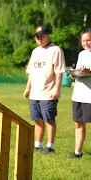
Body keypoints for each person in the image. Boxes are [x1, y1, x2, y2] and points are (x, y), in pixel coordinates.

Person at [23, 25, 66, 155]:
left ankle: (50, 146)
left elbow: (59, 72)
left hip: (48, 92)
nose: (39, 38)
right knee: (37, 119)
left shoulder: (56, 50)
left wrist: (57, 89)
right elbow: (31, 72)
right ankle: (38, 144)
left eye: (42, 36)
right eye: (37, 36)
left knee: (49, 120)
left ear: (47, 35)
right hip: (35, 93)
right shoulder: (35, 51)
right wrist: (27, 88)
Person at [68, 28, 91, 158]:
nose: (86, 43)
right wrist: (74, 74)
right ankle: (77, 152)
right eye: (83, 40)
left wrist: (88, 72)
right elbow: (79, 71)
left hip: (90, 96)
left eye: (88, 40)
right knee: (78, 123)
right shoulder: (81, 54)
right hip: (78, 94)